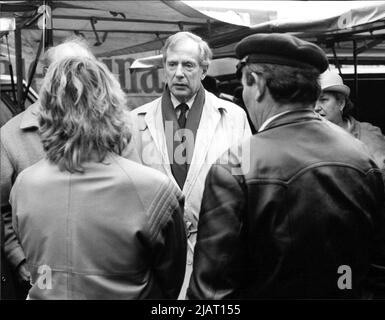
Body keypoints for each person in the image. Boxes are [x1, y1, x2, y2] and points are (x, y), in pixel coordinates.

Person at [187, 33, 385, 299]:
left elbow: (211, 294)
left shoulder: (236, 165)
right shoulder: (361, 157)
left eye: (244, 85)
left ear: (257, 84)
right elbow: (382, 273)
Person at [10, 56, 186, 299]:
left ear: (46, 110)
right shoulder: (155, 189)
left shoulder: (24, 184)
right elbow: (170, 283)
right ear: (111, 105)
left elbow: (39, 266)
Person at [128, 31, 251, 298]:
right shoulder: (134, 121)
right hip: (155, 253)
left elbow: (247, 185)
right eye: (172, 65)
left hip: (214, 250)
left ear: (204, 70)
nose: (179, 73)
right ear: (163, 69)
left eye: (188, 65)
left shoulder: (233, 117)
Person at [0, 37, 96, 300]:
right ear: (45, 78)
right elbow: (2, 209)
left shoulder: (109, 128)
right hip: (42, 269)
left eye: (84, 70)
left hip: (101, 270)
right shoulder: (11, 136)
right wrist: (19, 260)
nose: (76, 80)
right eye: (66, 70)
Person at [315, 70, 385, 196]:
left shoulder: (367, 134)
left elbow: (378, 174)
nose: (316, 107)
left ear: (341, 103)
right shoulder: (308, 135)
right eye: (312, 101)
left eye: (323, 100)